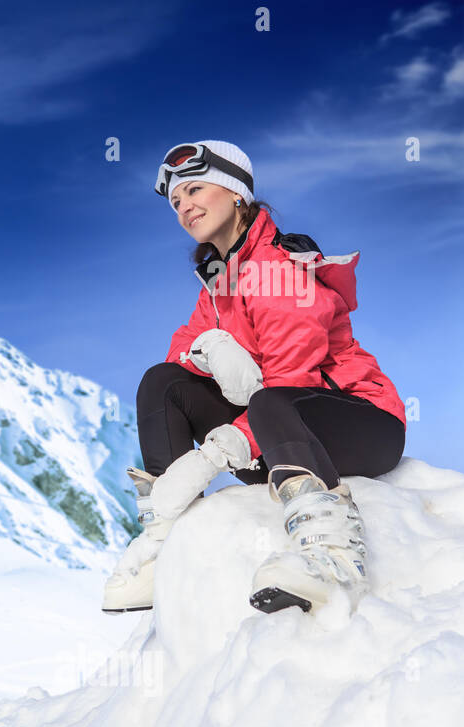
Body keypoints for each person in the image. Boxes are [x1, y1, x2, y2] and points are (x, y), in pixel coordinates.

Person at [102, 141, 407, 615]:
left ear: (236, 193)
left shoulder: (280, 271)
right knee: (163, 384)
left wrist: (215, 453)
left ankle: (332, 558)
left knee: (272, 402)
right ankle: (161, 543)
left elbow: (292, 382)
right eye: (176, 201)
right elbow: (182, 350)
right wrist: (211, 355)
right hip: (276, 437)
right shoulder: (219, 282)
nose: (184, 207)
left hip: (362, 425)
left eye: (195, 189)